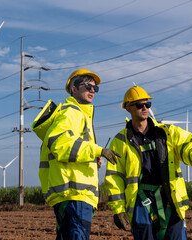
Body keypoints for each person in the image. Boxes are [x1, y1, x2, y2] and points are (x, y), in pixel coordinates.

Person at [104, 86, 192, 240]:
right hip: (140, 200)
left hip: (170, 197)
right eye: (140, 105)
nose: (145, 108)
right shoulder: (120, 141)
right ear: (128, 108)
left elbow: (187, 143)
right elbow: (114, 178)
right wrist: (118, 209)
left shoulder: (167, 132)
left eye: (148, 105)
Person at [32, 69, 121, 240]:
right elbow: (61, 144)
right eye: (88, 86)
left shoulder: (79, 115)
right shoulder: (72, 112)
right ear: (73, 88)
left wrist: (93, 159)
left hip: (73, 195)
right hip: (74, 194)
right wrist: (97, 150)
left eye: (95, 88)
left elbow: (72, 148)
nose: (92, 90)